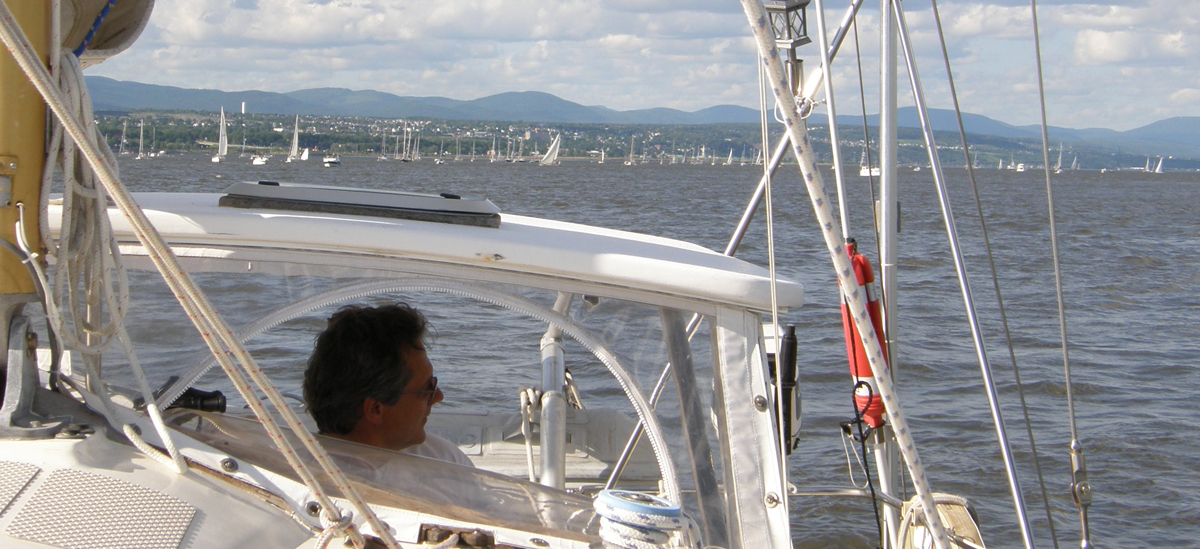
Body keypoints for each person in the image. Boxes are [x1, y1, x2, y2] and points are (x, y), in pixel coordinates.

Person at [303, 303, 472, 466]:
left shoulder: (446, 459)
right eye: (427, 389)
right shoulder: (305, 481)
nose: (438, 397)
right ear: (375, 409)